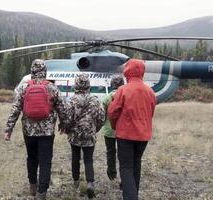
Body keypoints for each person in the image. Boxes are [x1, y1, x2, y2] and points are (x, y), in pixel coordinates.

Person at [4, 59, 65, 200]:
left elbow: (15, 109)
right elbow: (62, 108)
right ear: (45, 72)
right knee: (45, 161)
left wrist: (9, 129)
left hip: (29, 131)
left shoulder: (24, 88)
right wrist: (64, 125)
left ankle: (32, 185)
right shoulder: (52, 87)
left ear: (32, 71)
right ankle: (41, 192)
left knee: (31, 158)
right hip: (47, 132)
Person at [108, 59, 156, 200]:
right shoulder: (150, 92)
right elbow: (150, 112)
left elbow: (112, 112)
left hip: (125, 135)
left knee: (126, 167)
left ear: (127, 72)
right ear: (142, 71)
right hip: (143, 136)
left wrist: (114, 126)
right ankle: (134, 193)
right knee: (136, 163)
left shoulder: (123, 90)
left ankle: (131, 197)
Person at [61, 73, 105, 199]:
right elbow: (101, 117)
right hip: (89, 134)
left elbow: (67, 119)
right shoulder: (95, 100)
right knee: (88, 159)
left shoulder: (72, 100)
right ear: (88, 85)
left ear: (76, 84)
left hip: (75, 135)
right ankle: (90, 183)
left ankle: (76, 182)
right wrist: (94, 129)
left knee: (75, 158)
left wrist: (68, 130)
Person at [101, 75, 125, 181]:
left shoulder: (106, 98)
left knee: (110, 153)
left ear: (112, 85)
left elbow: (102, 115)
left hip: (109, 130)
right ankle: (123, 175)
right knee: (123, 154)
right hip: (123, 131)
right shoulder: (125, 96)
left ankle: (111, 174)